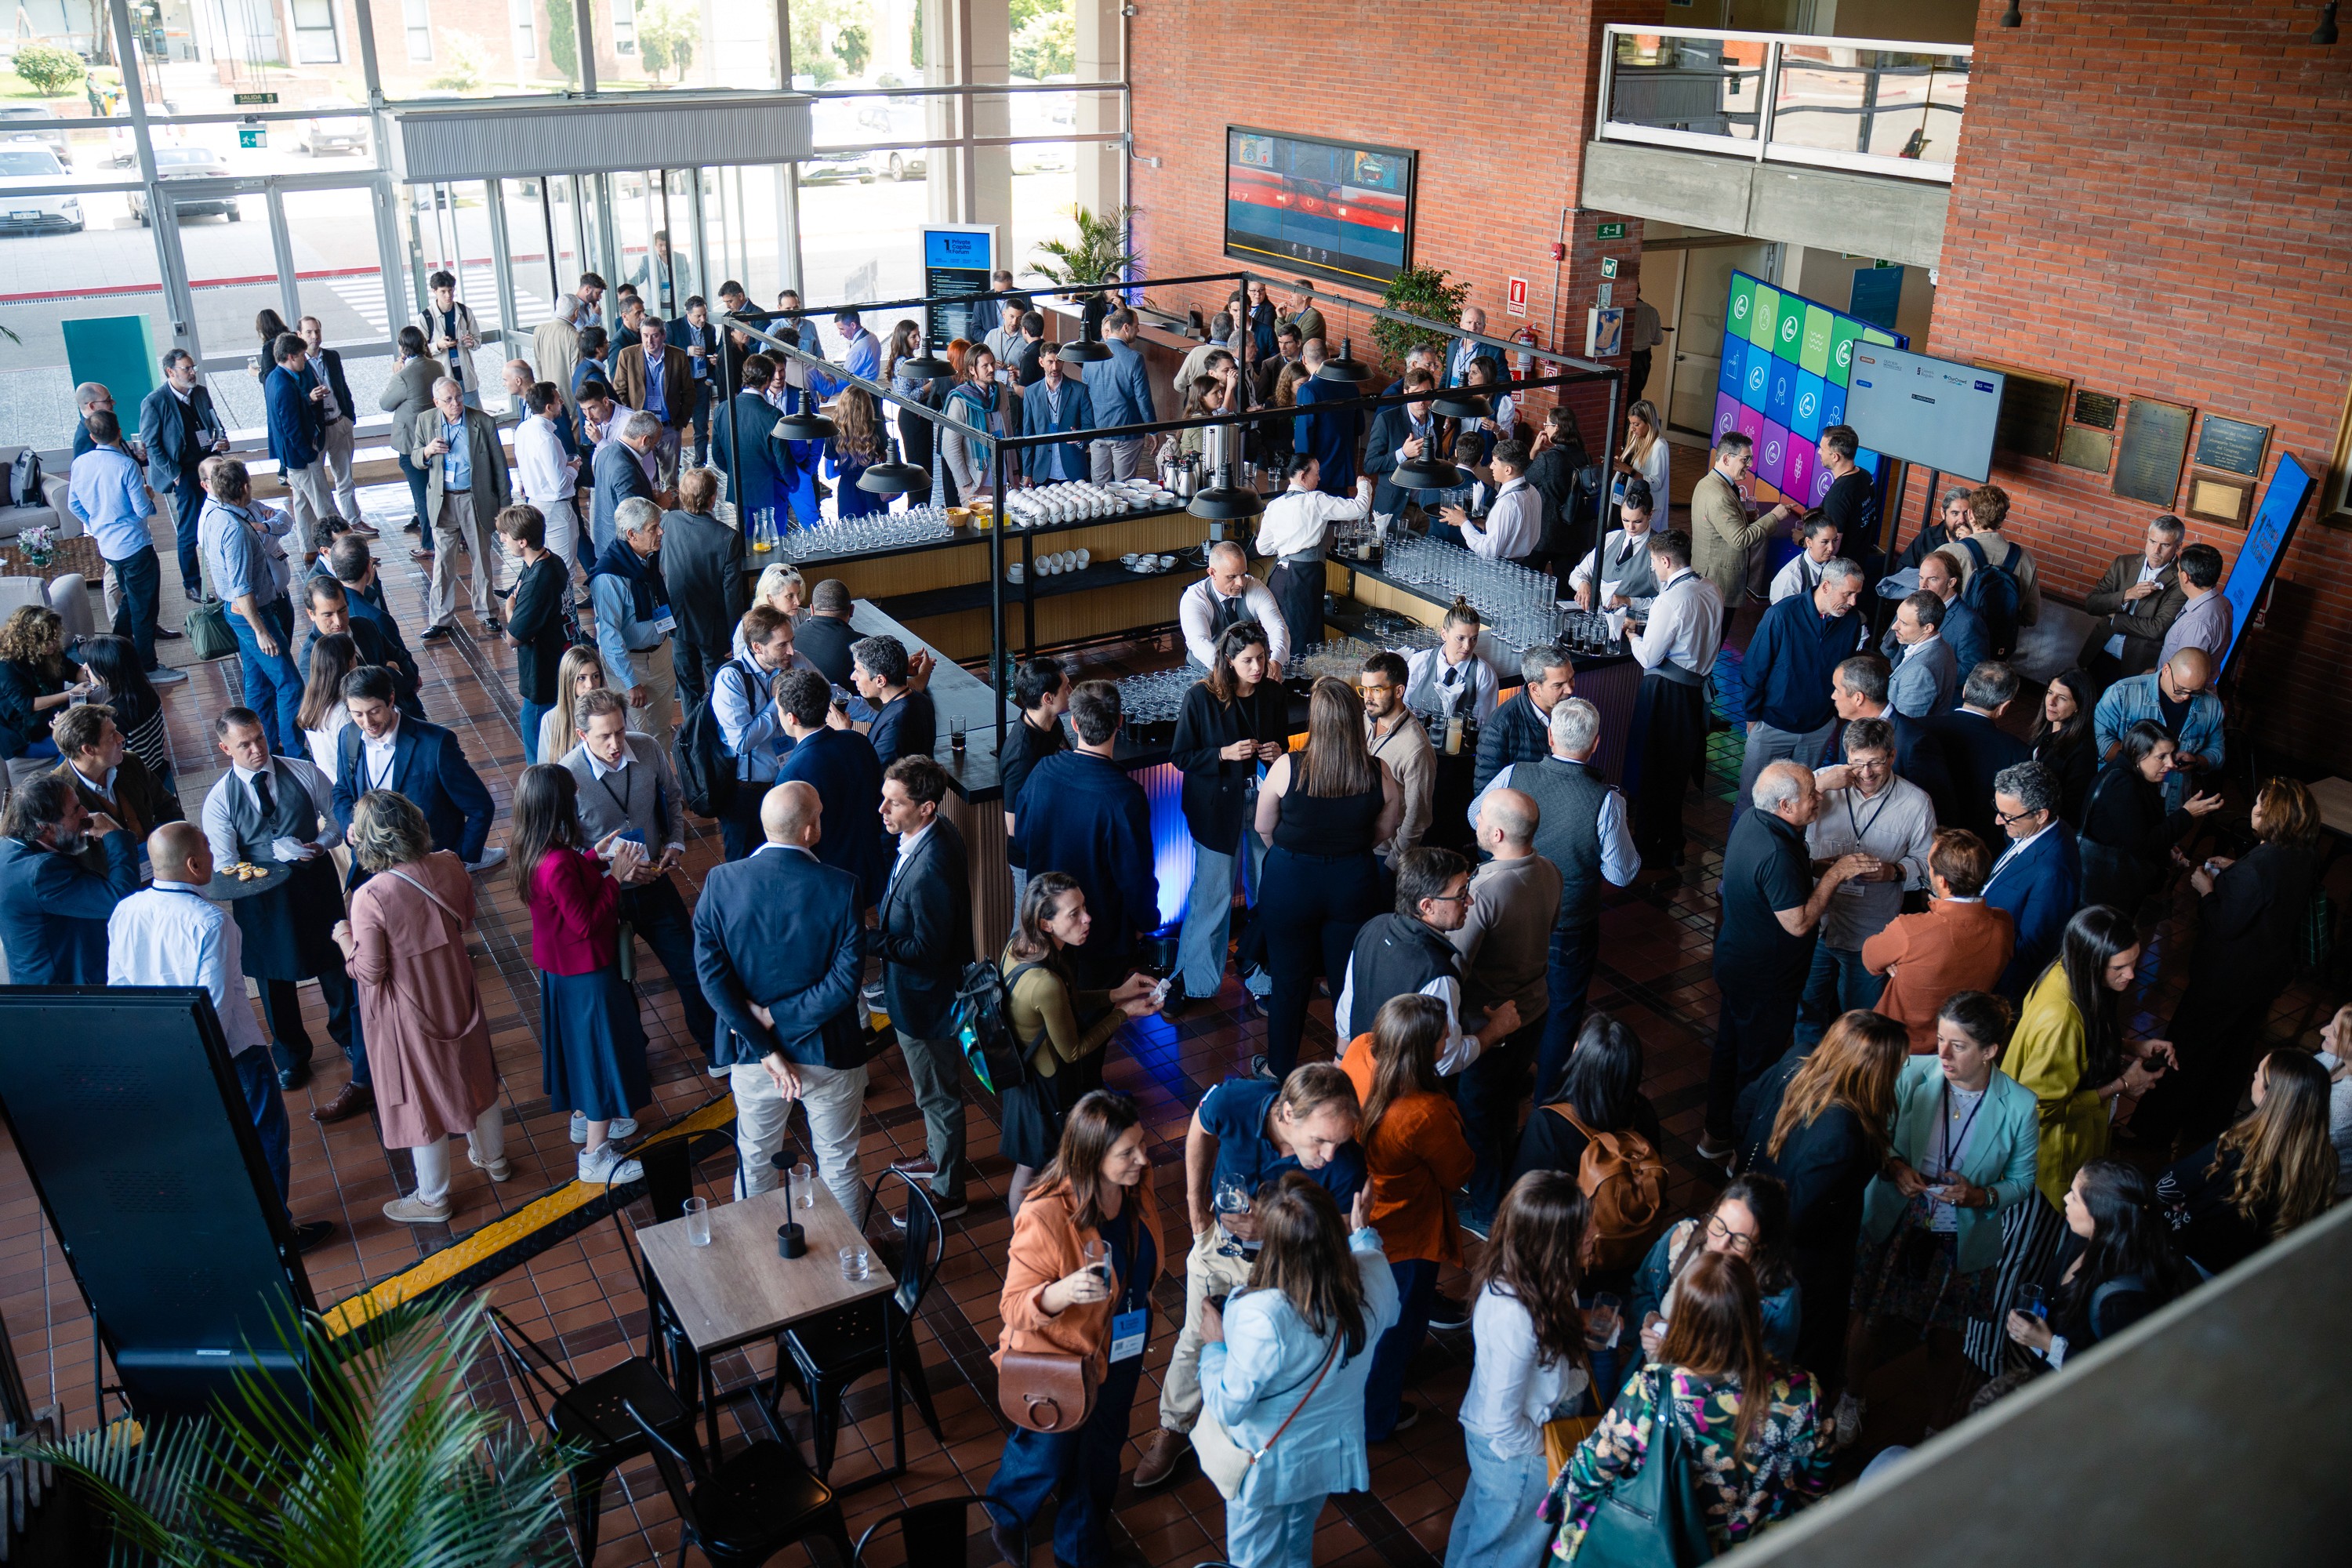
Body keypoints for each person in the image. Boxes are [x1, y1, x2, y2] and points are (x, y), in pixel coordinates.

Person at [1132, 1064, 1367, 1492]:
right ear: (1287, 1113)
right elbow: (1201, 1129)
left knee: (1267, 1354)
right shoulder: (1235, 1101)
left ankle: (1249, 1441)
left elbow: (1348, 1225)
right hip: (1218, 1252)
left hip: (1285, 1269)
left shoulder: (1345, 1161)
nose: (1330, 1154)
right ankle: (1173, 1429)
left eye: (1340, 1141)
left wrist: (1275, 1228)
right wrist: (1195, 1207)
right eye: (1321, 1141)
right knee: (1194, 1339)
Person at [107, 822, 336, 1251]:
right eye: (209, 849)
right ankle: (274, 1230)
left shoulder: (126, 910)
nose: (215, 856)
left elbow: (119, 987)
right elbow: (214, 1006)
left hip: (161, 1053)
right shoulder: (211, 922)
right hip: (230, 1052)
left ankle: (228, 1225)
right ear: (194, 865)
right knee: (265, 1137)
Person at [1841, 990, 2039, 1444]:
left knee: (1948, 1341)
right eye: (1941, 1038)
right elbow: (1878, 1135)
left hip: (1960, 1239)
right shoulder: (1911, 1074)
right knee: (1870, 1320)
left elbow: (2023, 1180)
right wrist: (1894, 1166)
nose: (1943, 1054)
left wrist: (1979, 1196)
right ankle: (1851, 1398)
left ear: (1991, 1051)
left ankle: (1937, 1427)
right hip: (1897, 1222)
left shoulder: (2020, 1106)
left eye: (1959, 1045)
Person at [1544, 1251, 1828, 1560]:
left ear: (1683, 1322)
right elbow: (1816, 1486)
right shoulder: (1803, 1393)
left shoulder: (1654, 1390)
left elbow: (1592, 1469)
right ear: (1756, 1319)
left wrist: (1565, 1536)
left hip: (1663, 1552)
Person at [983, 1089, 1163, 1568]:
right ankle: (1007, 1516)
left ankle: (1080, 1549)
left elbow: (1142, 1260)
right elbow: (1013, 1306)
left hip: (1120, 1347)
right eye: (1127, 1152)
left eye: (1139, 1145)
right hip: (1058, 1359)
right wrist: (1061, 1293)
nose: (1142, 1159)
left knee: (1101, 1456)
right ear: (1090, 1156)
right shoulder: (1043, 1214)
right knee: (1046, 1453)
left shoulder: (1135, 1186)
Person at [1201, 1174, 1398, 1568]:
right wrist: (1361, 1232)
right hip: (1325, 1452)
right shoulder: (1373, 1277)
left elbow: (1229, 1406)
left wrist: (1214, 1346)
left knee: (1254, 1558)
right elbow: (1373, 1268)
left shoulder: (1262, 1313)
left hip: (1266, 1463)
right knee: (1298, 1539)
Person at [694, 781, 869, 1216]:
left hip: (753, 1058)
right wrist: (780, 1018)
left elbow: (712, 978)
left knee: (754, 1160)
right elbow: (844, 985)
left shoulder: (721, 883)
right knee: (838, 1163)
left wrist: (763, 1040)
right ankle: (852, 1268)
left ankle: (757, 1264)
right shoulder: (841, 888)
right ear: (810, 831)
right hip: (828, 1050)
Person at [331, 789, 505, 1224]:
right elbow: (466, 918)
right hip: (456, 985)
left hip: (408, 1005)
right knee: (475, 1070)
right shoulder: (449, 863)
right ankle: (495, 1160)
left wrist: (344, 938)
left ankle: (433, 1198)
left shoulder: (371, 896)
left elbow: (370, 970)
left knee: (420, 1096)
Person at [2136, 776, 2322, 1152]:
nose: (2253, 810)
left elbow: (2224, 924)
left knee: (2185, 1053)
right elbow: (2271, 891)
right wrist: (2236, 869)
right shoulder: (2304, 855)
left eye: (2261, 806)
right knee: (2230, 1060)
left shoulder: (2257, 868)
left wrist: (2206, 889)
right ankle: (2204, 1134)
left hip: (2224, 981)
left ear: (2278, 816)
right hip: (2263, 980)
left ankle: (2150, 1133)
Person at [1704, 762, 1878, 1160]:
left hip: (1735, 961)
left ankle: (1714, 1137)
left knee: (1728, 1050)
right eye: (1811, 796)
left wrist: (1819, 866)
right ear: (1784, 804)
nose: (1819, 799)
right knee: (1758, 1065)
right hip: (1765, 979)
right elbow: (1798, 923)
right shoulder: (1777, 853)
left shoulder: (1753, 818)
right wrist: (1835, 876)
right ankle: (1744, 1154)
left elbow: (1777, 882)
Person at [1467, 699, 1639, 1099]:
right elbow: (1621, 873)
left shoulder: (1514, 774)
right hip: (1568, 925)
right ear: (1596, 744)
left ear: (1549, 737)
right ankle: (1546, 1101)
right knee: (1562, 1012)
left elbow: (1476, 815)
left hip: (1506, 912)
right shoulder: (1607, 801)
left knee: (1498, 996)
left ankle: (1499, 1079)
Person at [203, 706, 368, 1103]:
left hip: (314, 885)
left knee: (333, 963)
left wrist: (320, 844)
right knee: (273, 977)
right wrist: (263, 868)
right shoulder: (220, 800)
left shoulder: (303, 771)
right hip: (260, 899)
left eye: (259, 738)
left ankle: (348, 1035)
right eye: (245, 744)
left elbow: (336, 820)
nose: (257, 749)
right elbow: (225, 864)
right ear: (226, 748)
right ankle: (291, 1054)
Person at [1743, 1009, 1909, 1378]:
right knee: (1804, 1355)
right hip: (1806, 1263)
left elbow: (1744, 1107)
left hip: (1756, 1208)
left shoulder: (1796, 1057)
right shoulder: (1844, 1131)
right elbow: (1799, 1214)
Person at [1339, 995, 1475, 1439]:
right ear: (1421, 1052)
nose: (1448, 1038)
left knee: (1365, 1320)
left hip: (1357, 1221)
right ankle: (1377, 1419)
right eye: (1441, 1036)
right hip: (1406, 1236)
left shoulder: (1360, 1048)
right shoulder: (1423, 1112)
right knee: (1396, 1329)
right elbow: (1457, 1172)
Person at [1254, 677, 1403, 1080]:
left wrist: (1291, 851)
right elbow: (1388, 827)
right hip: (1351, 881)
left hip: (1290, 881)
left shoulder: (1288, 765)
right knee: (1348, 981)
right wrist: (1350, 847)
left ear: (1316, 721)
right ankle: (1353, 1068)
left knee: (1288, 980)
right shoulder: (1378, 771)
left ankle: (1279, 1067)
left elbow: (1263, 826)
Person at [1444, 1169, 1593, 1568]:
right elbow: (1502, 1423)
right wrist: (1545, 1451)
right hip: (1517, 1457)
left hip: (1504, 1449)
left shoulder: (1525, 1275)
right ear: (1554, 1243)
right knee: (1502, 1555)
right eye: (1584, 1231)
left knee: (1479, 1534)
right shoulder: (1517, 1314)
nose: (1594, 1235)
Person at [561, 687, 717, 1066]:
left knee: (691, 966)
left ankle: (714, 1048)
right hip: (603, 894)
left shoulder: (646, 747)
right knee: (617, 984)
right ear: (583, 735)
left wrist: (676, 843)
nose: (616, 743)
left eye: (619, 730)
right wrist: (606, 868)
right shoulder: (567, 776)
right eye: (604, 736)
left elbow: (672, 795)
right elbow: (565, 850)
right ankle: (634, 1060)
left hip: (654, 883)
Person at [512, 764, 648, 1185]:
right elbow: (585, 922)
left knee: (578, 1053)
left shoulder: (534, 850)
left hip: (560, 972)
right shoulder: (558, 863)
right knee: (600, 1057)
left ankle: (585, 1122)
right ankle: (596, 1155)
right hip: (588, 973)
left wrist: (595, 857)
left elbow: (563, 889)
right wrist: (617, 877)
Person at [996, 873, 1161, 1218]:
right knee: (1037, 1170)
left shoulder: (1020, 946)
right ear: (1047, 923)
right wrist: (1124, 1013)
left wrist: (1118, 993)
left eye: (1084, 907)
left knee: (1037, 1167)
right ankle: (1032, 1246)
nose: (1087, 918)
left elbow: (1065, 1003)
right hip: (1046, 1091)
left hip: (1026, 1080)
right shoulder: (1044, 982)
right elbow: (1073, 1050)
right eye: (1073, 914)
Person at [1443, 788, 1563, 1226]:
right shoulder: (1550, 871)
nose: (1475, 826)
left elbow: (1456, 964)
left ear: (1495, 833)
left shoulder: (1483, 889)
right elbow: (1550, 926)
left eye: (1480, 821)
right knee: (1505, 1107)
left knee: (1477, 1116)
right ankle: (1506, 1192)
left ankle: (1488, 1209)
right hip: (1534, 1011)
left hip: (1488, 1021)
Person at [2008, 906, 2175, 1214]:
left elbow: (2079, 1045)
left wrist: (2129, 1046)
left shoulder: (2066, 969)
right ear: (2091, 961)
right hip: (2053, 1156)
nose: (2132, 974)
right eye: (2120, 967)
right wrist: (2123, 1084)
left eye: (2134, 961)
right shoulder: (2061, 1021)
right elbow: (2041, 1108)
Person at [873, 754, 976, 1218]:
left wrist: (872, 942)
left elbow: (927, 951)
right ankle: (939, 1156)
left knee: (937, 1095)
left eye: (894, 804)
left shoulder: (930, 865)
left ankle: (950, 1192)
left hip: (925, 1002)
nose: (883, 810)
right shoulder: (932, 834)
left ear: (927, 807)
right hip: (917, 995)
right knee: (932, 1092)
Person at [1797, 717, 1934, 1047]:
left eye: (1875, 762)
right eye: (1857, 763)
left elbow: (1928, 867)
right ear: (1846, 757)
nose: (1867, 773)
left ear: (1892, 756)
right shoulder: (1818, 787)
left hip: (1869, 933)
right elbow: (1781, 829)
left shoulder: (1916, 803)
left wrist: (1895, 872)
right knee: (1806, 1011)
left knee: (1860, 1022)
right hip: (1818, 923)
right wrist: (1819, 787)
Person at [1169, 624, 1287, 1009]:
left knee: (1268, 891)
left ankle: (1262, 976)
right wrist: (1222, 754)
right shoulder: (1199, 698)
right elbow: (1182, 757)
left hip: (1263, 803)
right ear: (1228, 661)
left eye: (1262, 658)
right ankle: (1194, 982)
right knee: (1212, 896)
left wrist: (1276, 753)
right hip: (1217, 810)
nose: (1257, 667)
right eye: (1248, 660)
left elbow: (1283, 744)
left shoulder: (1272, 693)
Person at [1014, 679, 1156, 985]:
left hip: (1048, 926)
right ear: (1120, 721)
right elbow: (1136, 875)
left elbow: (1024, 840)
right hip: (1102, 934)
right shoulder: (1125, 796)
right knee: (1093, 1020)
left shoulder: (1042, 772)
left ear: (1074, 724)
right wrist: (1145, 922)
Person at [2002, 1159, 2194, 1374]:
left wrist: (2048, 1344)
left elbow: (2121, 1372)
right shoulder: (2083, 1237)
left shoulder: (2122, 1299)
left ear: (2100, 1216)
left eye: (2074, 1197)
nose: (2065, 1199)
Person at [2156, 1051, 2335, 1277]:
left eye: (2259, 1074)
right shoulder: (2324, 1159)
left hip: (2193, 1262)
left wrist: (2187, 1201)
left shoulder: (2236, 1149)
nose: (2253, 1074)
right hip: (2251, 1271)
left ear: (2271, 1094)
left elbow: (2165, 1186)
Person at [331, 665, 500, 874]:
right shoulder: (348, 735)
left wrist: (459, 860)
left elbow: (480, 807)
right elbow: (342, 791)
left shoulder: (436, 744)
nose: (367, 722)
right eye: (357, 714)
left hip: (429, 870)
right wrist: (351, 824)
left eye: (374, 711)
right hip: (372, 868)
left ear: (391, 699)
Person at [1622, 529, 1723, 869]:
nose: (1652, 568)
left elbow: (1650, 657)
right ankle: (1674, 841)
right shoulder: (1711, 588)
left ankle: (1647, 847)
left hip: (1665, 694)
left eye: (1653, 562)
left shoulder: (1671, 600)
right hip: (1695, 692)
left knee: (1652, 772)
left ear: (1666, 561)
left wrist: (1633, 635)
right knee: (1675, 773)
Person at [1862, 829, 2014, 1053]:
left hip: (1896, 1049)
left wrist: (1894, 961)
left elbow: (1869, 957)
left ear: (1941, 880)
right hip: (1960, 1049)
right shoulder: (2003, 924)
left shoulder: (1910, 929)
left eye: (1929, 867)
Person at [1632, 1175, 1802, 1374]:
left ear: (1763, 1244)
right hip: (1649, 1379)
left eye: (1740, 1240)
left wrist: (1686, 1354)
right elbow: (1642, 1291)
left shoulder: (1780, 1300)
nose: (1721, 1245)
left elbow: (1771, 1374)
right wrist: (1650, 1317)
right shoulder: (1682, 1240)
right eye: (1719, 1226)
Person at [1737, 556, 1869, 809]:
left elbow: (1845, 673)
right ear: (1827, 586)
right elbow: (1754, 669)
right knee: (1752, 802)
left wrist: (1830, 718)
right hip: (1772, 726)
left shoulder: (1851, 622)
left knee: (1805, 802)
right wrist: (1753, 718)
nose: (1853, 603)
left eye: (1857, 595)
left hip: (1817, 730)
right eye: (1848, 594)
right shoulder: (1782, 615)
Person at [197, 461, 303, 753]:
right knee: (290, 685)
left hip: (241, 614)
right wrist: (261, 631)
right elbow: (242, 587)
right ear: (244, 488)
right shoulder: (237, 530)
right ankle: (296, 752)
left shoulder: (216, 516)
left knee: (257, 685)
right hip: (252, 615)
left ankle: (266, 743)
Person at [68, 410, 179, 683]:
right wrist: (149, 495)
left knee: (130, 599)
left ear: (93, 436)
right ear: (119, 432)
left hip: (108, 546)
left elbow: (74, 504)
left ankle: (113, 653)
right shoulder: (126, 465)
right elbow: (141, 510)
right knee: (144, 608)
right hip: (134, 545)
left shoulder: (80, 464)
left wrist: (95, 523)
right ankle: (148, 667)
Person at [0, 774, 136, 985]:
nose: (86, 814)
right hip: (65, 994)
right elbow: (121, 900)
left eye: (80, 804)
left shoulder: (9, 848)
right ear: (44, 826)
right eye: (75, 810)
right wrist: (114, 834)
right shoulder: (42, 873)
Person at [2076, 719, 2222, 909]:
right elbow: (2141, 845)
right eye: (2161, 757)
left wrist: (2166, 847)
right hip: (2107, 887)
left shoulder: (2139, 776)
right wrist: (2186, 814)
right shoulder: (2122, 783)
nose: (2170, 764)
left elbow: (2143, 828)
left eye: (2172, 755)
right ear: (2138, 754)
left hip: (2115, 882)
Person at [772, 669, 887, 908]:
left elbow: (796, 844)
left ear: (791, 718)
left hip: (829, 884)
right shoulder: (858, 742)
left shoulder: (792, 775)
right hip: (872, 868)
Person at [414, 376, 511, 641]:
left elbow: (499, 467)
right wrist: (427, 451)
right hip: (443, 500)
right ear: (437, 402)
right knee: (443, 563)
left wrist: (505, 506)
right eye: (448, 399)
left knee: (482, 557)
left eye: (458, 396)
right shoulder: (426, 421)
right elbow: (414, 458)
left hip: (474, 498)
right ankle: (440, 620)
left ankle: (487, 613)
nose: (456, 403)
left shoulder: (483, 422)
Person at [140, 348, 231, 608]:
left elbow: (213, 423)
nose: (192, 373)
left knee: (222, 515)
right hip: (183, 470)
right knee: (189, 529)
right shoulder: (155, 401)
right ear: (171, 372)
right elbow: (152, 445)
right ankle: (192, 582)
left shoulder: (200, 393)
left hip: (208, 463)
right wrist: (176, 474)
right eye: (187, 369)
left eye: (193, 368)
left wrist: (220, 440)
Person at [1254, 455, 1373, 655]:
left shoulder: (1274, 505)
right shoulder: (1315, 500)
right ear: (1302, 476)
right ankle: (1301, 683)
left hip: (1279, 577)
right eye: (1316, 474)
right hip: (1304, 577)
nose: (1319, 479)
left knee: (1275, 634)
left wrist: (1288, 544)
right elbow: (1360, 509)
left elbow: (1263, 548)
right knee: (1303, 638)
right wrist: (1363, 486)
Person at [1982, 760, 2080, 1001]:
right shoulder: (2038, 831)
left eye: (2007, 816)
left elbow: (2031, 951)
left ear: (2041, 815)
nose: (1998, 821)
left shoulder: (2053, 871)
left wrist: (1972, 916)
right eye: (1998, 809)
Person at [710, 606, 800, 861]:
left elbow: (827, 690)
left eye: (791, 641)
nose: (791, 651)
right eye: (782, 645)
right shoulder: (732, 679)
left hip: (784, 784)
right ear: (758, 648)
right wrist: (777, 702)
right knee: (745, 868)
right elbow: (742, 741)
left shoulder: (790, 663)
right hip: (746, 794)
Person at [653, 469, 746, 711]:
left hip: (676, 621)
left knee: (688, 690)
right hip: (713, 628)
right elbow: (732, 594)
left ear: (682, 496)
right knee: (721, 688)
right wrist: (735, 636)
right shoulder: (727, 538)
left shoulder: (668, 522)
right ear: (713, 498)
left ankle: (693, 740)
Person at [2092, 648, 2223, 812]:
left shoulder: (2212, 706)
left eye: (2195, 692)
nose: (2186, 697)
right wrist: (2148, 760)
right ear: (2167, 670)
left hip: (2172, 799)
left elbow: (2217, 752)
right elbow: (2100, 741)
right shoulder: (2122, 693)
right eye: (2181, 689)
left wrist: (2196, 761)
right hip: (2122, 792)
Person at [590, 497, 677, 738]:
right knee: (636, 737)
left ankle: (662, 776)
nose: (660, 532)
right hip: (629, 664)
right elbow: (609, 635)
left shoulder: (648, 557)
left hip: (660, 655)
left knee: (662, 730)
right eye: (652, 528)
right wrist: (630, 682)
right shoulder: (610, 577)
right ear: (632, 534)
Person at [1922, 661, 2032, 848]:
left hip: (1923, 838)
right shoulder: (2018, 752)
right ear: (2004, 707)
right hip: (1977, 848)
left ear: (1965, 690)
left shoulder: (1920, 728)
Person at [1690, 432, 1798, 608]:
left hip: (1708, 575)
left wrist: (1742, 517)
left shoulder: (1708, 483)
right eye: (1745, 459)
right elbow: (1740, 540)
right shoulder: (1720, 496)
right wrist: (1774, 517)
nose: (1750, 465)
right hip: (1719, 581)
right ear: (1726, 459)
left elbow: (1716, 523)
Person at [303, 573, 422, 721]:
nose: (338, 621)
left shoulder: (365, 625)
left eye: (342, 610)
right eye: (328, 615)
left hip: (407, 715)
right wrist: (389, 670)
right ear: (311, 614)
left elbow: (408, 667)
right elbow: (345, 705)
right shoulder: (312, 656)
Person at [2080, 515, 2186, 679]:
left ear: (2178, 546)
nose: (2156, 551)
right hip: (2099, 652)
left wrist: (2115, 618)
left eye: (2165, 545)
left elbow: (2157, 629)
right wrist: (2127, 595)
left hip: (2136, 667)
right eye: (2152, 542)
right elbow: (2092, 604)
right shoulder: (2123, 563)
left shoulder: (2180, 581)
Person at [1000, 657, 1069, 907]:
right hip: (1031, 860)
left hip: (1052, 848)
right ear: (1047, 698)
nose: (1071, 692)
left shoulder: (1052, 723)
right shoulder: (1022, 757)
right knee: (1025, 929)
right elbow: (1014, 827)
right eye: (1066, 688)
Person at [262, 332, 333, 564]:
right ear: (291, 356)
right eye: (302, 356)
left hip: (290, 457)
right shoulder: (284, 385)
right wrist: (309, 453)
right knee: (323, 503)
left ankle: (309, 547)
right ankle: (339, 550)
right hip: (300, 456)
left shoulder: (275, 377)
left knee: (302, 502)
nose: (305, 360)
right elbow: (291, 427)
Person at [1360, 651, 1434, 868]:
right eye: (1365, 689)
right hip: (1355, 844)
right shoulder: (1364, 719)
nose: (1368, 697)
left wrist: (1392, 865)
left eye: (1376, 690)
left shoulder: (1416, 748)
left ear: (1399, 690)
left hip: (1384, 855)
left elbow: (1417, 819)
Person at [1948, 485, 2041, 655]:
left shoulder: (1951, 553)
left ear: (1970, 514)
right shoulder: (2025, 559)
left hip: (1953, 650)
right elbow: (2031, 617)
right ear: (2003, 517)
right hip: (1997, 653)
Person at [1471, 642, 1573, 794]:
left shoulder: (1572, 711)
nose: (1570, 690)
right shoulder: (1499, 728)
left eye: (1571, 679)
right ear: (1534, 688)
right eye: (1558, 685)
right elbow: (1486, 795)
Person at [379, 327, 448, 546]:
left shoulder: (403, 375)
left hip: (411, 442)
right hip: (434, 435)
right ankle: (449, 536)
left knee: (422, 496)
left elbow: (386, 404)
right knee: (439, 489)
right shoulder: (436, 366)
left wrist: (395, 373)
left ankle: (429, 545)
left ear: (402, 347)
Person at [1179, 541, 1290, 673]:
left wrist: (1276, 661)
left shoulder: (1255, 588)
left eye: (1243, 574)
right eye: (1232, 577)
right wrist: (1229, 670)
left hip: (1248, 668)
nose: (1240, 583)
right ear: (1212, 573)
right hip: (1205, 669)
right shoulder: (1194, 597)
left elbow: (1277, 627)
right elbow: (1199, 642)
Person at [76, 639, 172, 790]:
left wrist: (64, 728)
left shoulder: (114, 715)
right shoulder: (143, 691)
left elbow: (97, 758)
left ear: (107, 670)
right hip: (157, 770)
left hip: (134, 781)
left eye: (90, 663)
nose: (85, 666)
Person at [717, 354, 797, 532]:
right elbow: (783, 460)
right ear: (767, 380)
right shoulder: (773, 416)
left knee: (747, 545)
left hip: (741, 490)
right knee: (775, 545)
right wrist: (793, 483)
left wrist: (736, 471)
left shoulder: (723, 409)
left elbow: (718, 455)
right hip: (772, 492)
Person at [612, 317, 695, 486]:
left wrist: (680, 423)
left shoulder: (678, 356)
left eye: (655, 336)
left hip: (669, 426)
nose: (650, 341)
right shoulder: (627, 355)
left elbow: (689, 391)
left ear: (663, 335)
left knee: (670, 479)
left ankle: (671, 513)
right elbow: (619, 391)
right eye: (645, 336)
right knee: (644, 478)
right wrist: (630, 421)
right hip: (640, 430)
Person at [514, 382, 584, 578]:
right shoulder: (547, 438)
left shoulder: (522, 429)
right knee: (564, 570)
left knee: (543, 567)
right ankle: (564, 609)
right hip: (556, 509)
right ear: (549, 407)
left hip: (535, 504)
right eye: (558, 399)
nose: (562, 402)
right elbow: (560, 484)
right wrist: (573, 469)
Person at [1404, 601, 1504, 735]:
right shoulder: (1420, 662)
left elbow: (1482, 724)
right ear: (1444, 634)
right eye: (1460, 638)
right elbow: (1404, 706)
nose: (1467, 646)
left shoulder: (1483, 674)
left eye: (1474, 638)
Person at [1083, 308, 1158, 481]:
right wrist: (1153, 430)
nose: (1138, 330)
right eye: (1137, 326)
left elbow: (1086, 395)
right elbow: (1143, 399)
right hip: (1126, 432)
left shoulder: (1090, 355)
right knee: (1124, 488)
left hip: (1097, 430)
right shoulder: (1134, 358)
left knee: (1099, 488)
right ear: (1126, 327)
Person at [1570, 477, 1663, 614]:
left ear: (1650, 514)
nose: (1630, 527)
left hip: (1634, 624)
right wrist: (1583, 584)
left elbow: (1666, 601)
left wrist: (1630, 601)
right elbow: (1578, 573)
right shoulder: (1610, 538)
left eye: (1637, 521)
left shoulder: (1660, 550)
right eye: (1625, 520)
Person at [1363, 368, 1446, 522]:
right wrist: (1402, 453)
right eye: (1416, 394)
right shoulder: (1387, 420)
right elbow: (1370, 465)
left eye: (1427, 394)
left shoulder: (1439, 419)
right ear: (1406, 392)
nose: (1421, 401)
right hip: (1395, 507)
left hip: (1427, 508)